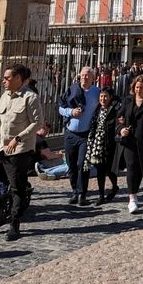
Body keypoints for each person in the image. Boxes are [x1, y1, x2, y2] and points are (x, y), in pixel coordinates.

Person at [0, 64, 43, 241]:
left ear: (17, 78)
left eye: (7, 78)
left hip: (19, 151)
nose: (4, 81)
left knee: (17, 188)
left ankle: (14, 224)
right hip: (0, 148)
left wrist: (18, 138)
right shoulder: (4, 97)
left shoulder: (30, 98)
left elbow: (37, 123)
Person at [113, 75, 143, 214]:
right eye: (136, 87)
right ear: (133, 88)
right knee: (131, 167)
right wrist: (121, 129)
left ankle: (135, 192)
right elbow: (118, 119)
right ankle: (132, 198)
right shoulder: (127, 101)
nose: (138, 90)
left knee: (139, 169)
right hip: (129, 141)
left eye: (141, 87)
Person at [58, 66, 100, 206]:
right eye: (82, 75)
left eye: (87, 75)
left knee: (82, 164)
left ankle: (82, 194)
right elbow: (60, 107)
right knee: (71, 165)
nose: (84, 77)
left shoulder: (96, 92)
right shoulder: (72, 90)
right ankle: (75, 191)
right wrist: (70, 112)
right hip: (70, 133)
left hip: (85, 134)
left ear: (93, 78)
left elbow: (105, 105)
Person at [83, 87, 120, 206]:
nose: (103, 99)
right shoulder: (97, 110)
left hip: (109, 144)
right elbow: (94, 125)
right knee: (100, 170)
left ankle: (114, 187)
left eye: (105, 96)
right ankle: (101, 195)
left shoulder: (114, 110)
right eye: (101, 96)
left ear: (110, 98)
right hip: (97, 144)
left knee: (109, 170)